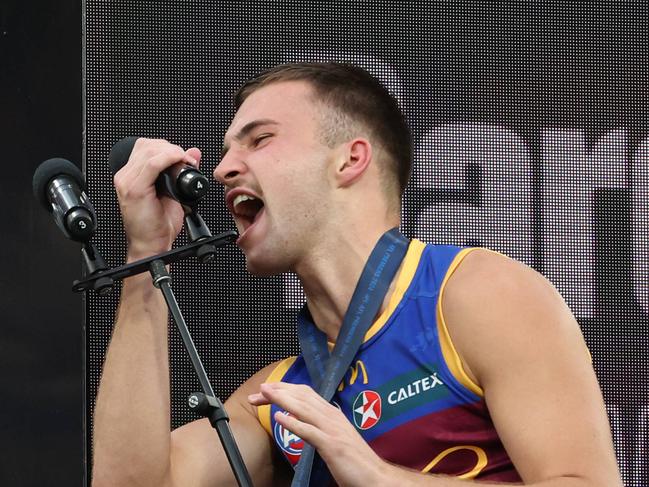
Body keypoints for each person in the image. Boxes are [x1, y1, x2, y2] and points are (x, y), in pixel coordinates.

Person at [92, 62, 621, 486]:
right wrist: (147, 255)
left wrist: (374, 474)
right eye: (227, 150)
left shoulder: (475, 295)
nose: (223, 168)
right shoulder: (279, 393)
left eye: (259, 140)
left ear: (350, 160)